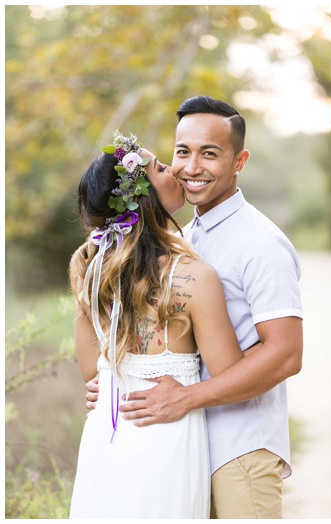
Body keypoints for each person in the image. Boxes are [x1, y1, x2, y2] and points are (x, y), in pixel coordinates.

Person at [100, 96, 304, 519]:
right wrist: (113, 380)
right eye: (182, 152)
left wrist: (188, 398)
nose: (192, 167)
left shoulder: (260, 244)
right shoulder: (186, 236)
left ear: (239, 160)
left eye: (209, 153)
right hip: (182, 446)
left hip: (240, 448)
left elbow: (285, 354)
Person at [69, 130, 243, 518]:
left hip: (107, 435)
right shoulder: (195, 277)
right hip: (166, 437)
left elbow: (91, 372)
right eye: (162, 167)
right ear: (143, 195)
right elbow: (230, 373)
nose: (175, 171)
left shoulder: (90, 271)